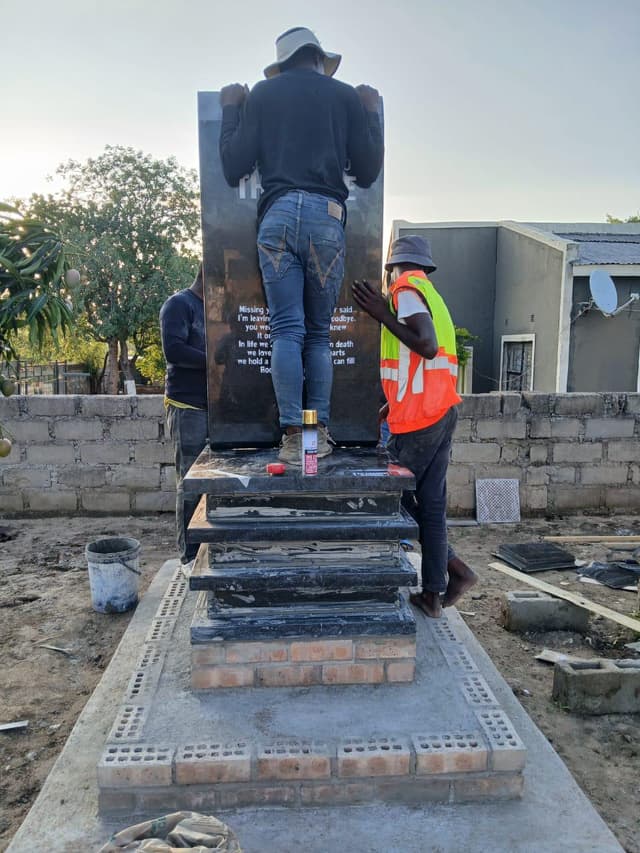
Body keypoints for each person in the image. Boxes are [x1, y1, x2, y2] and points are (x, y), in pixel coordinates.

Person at [219, 26, 384, 462]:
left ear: (283, 62)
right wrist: (370, 114)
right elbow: (367, 171)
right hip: (325, 220)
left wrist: (232, 111)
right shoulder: (345, 96)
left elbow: (234, 165)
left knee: (285, 331)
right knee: (317, 336)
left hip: (276, 219)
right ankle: (316, 435)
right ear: (318, 58)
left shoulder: (262, 95)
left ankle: (293, 437)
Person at [352, 236, 478, 618]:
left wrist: (380, 313)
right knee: (432, 504)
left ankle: (453, 571)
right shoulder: (430, 293)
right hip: (439, 410)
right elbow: (420, 365)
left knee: (390, 496)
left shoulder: (405, 290)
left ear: (393, 268)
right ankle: (435, 593)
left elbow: (425, 346)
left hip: (421, 420)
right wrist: (391, 403)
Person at [160, 266, 208, 567]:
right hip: (187, 406)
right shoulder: (179, 304)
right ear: (206, 274)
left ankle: (205, 549)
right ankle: (188, 556)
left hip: (212, 408)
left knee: (210, 483)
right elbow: (173, 350)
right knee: (189, 481)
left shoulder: (212, 308)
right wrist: (217, 362)